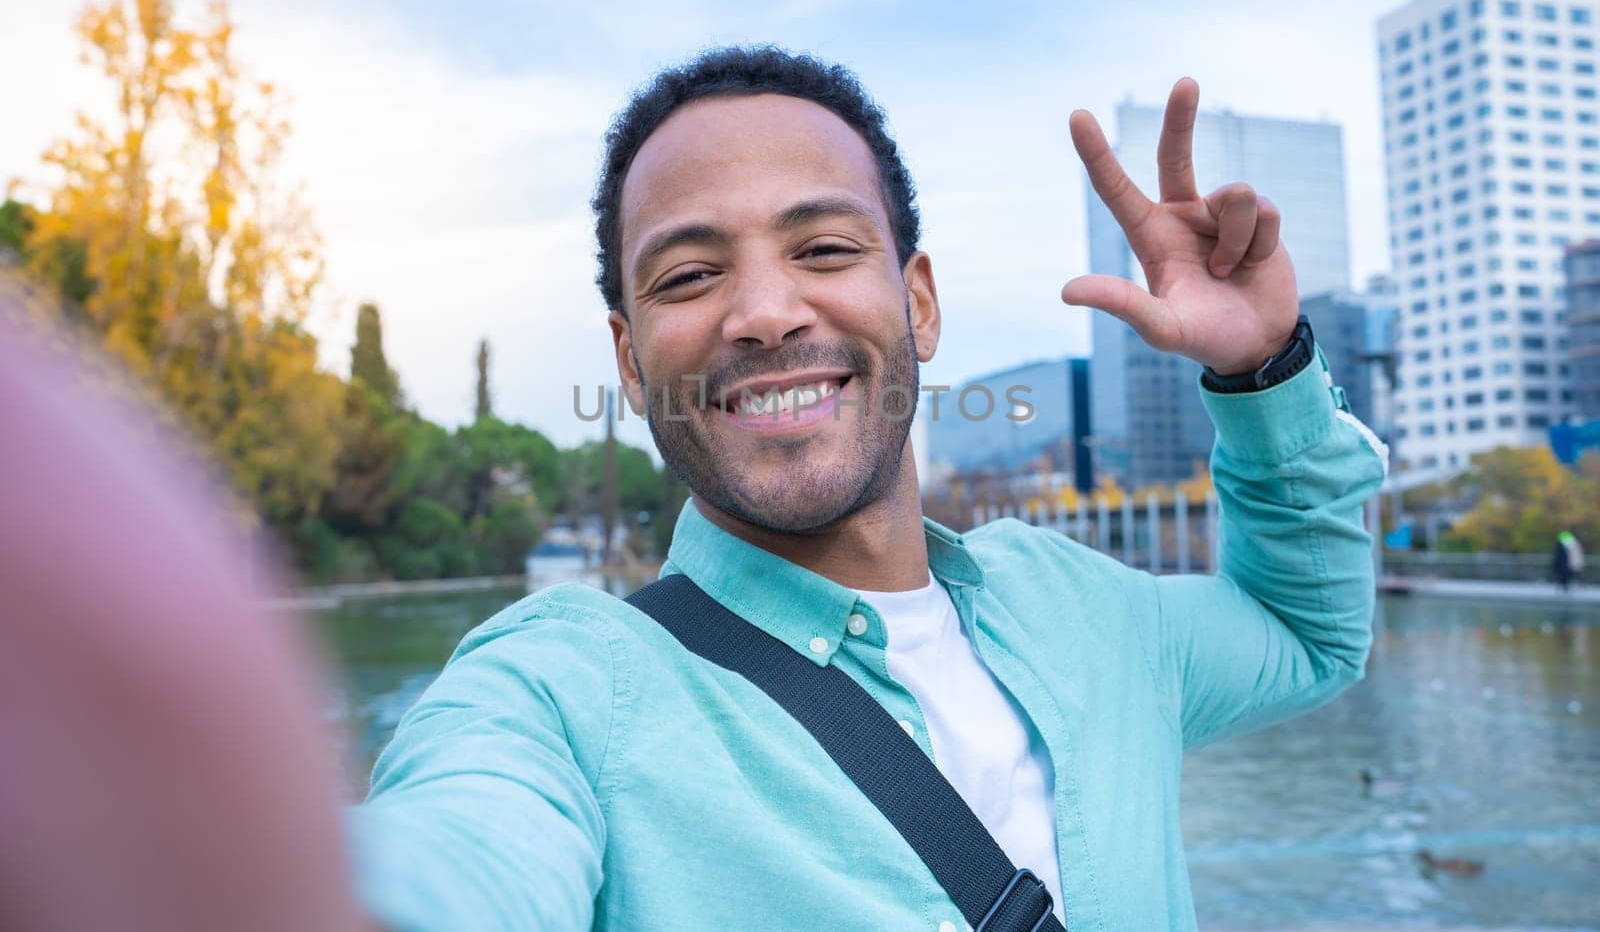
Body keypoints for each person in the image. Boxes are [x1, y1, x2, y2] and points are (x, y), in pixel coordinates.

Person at [0, 46, 1386, 932]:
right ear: (627, 352)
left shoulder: (1080, 608)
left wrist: (1265, 373)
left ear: (919, 300)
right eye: (687, 273)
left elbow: (1314, 635)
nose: (764, 312)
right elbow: (453, 857)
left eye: (823, 248)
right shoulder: (556, 692)